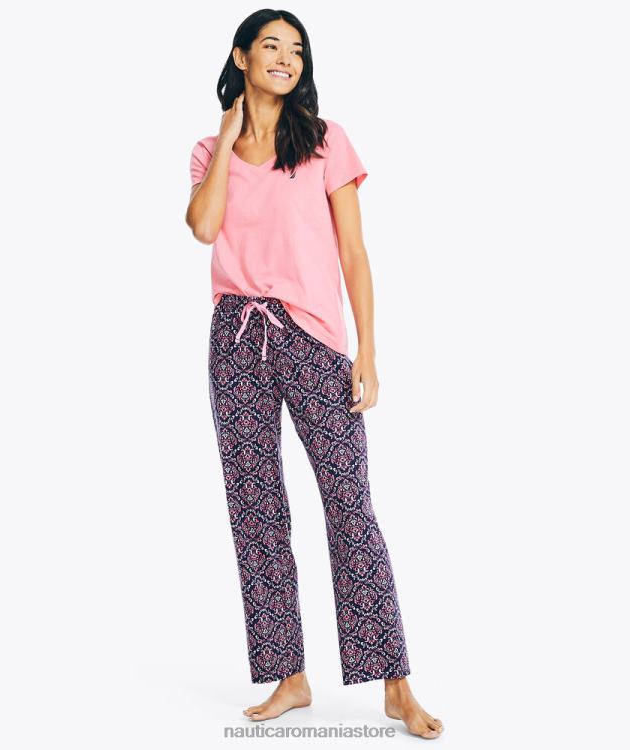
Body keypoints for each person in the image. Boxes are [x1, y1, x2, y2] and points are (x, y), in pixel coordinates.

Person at [185, 9, 444, 740]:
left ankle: (395, 683)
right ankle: (289, 676)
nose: (285, 58)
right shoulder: (209, 150)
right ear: (241, 57)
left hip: (314, 340)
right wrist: (230, 134)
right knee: (256, 509)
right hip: (236, 341)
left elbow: (354, 254)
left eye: (295, 50)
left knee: (350, 507)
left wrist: (367, 352)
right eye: (270, 46)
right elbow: (203, 227)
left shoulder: (326, 141)